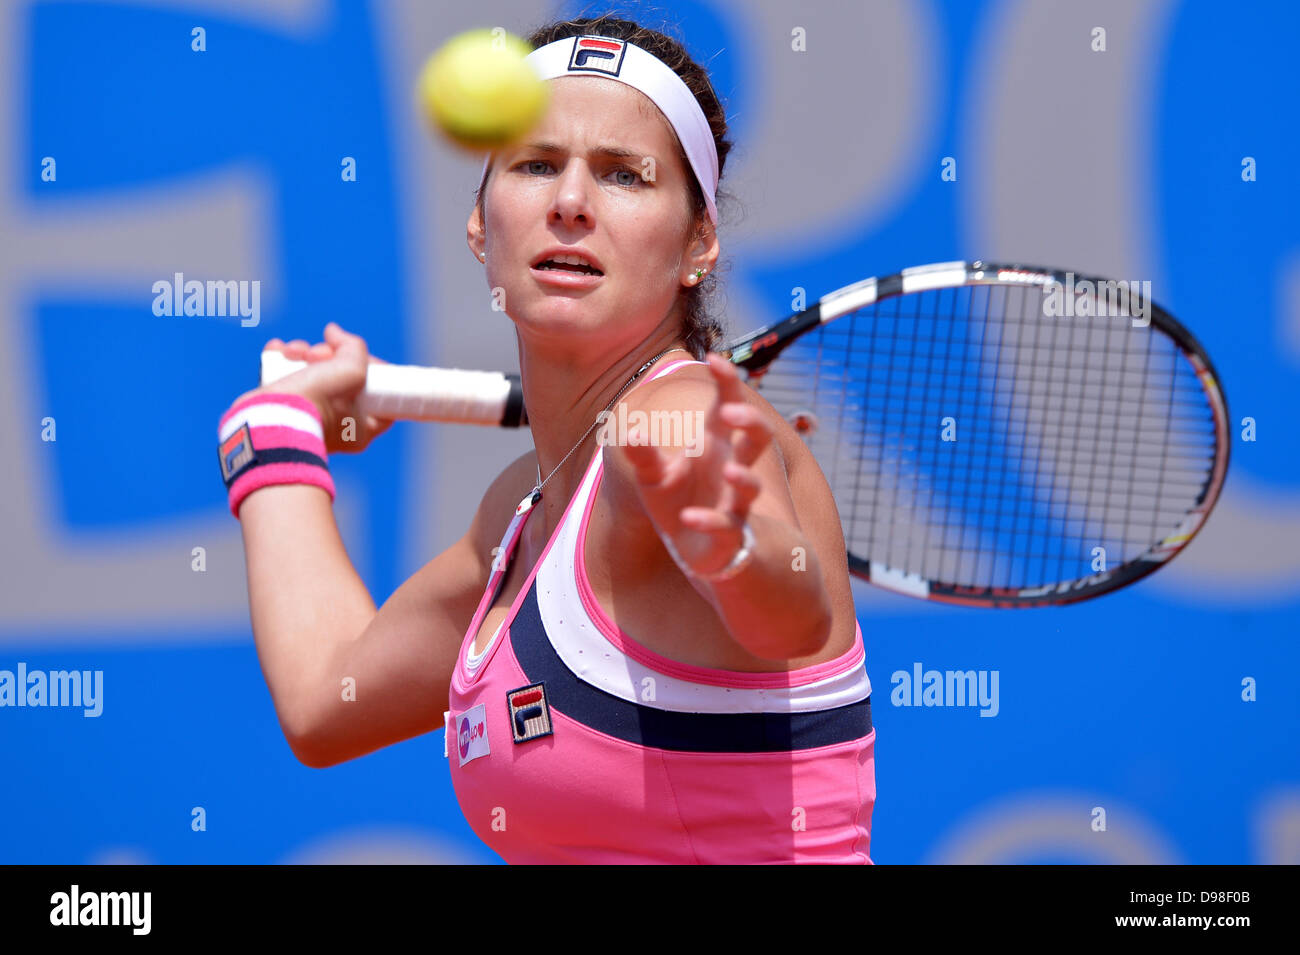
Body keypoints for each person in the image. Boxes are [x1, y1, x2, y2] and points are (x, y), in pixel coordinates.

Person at [218, 14, 875, 864]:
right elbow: (326, 698)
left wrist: (733, 546)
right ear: (481, 227)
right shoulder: (519, 513)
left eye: (623, 175)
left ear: (698, 243)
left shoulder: (679, 422)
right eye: (535, 164)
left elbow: (787, 615)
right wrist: (277, 432)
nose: (571, 201)